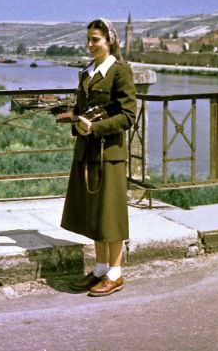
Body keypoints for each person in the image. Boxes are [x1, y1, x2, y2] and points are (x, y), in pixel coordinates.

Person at [60, 18, 137, 297]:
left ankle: (115, 273)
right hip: (87, 150)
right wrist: (77, 124)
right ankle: (100, 268)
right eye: (89, 40)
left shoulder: (120, 71)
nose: (90, 45)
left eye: (96, 40)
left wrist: (96, 128)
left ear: (110, 41)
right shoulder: (87, 72)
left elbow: (128, 115)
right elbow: (80, 108)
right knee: (95, 212)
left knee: (110, 213)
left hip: (110, 154)